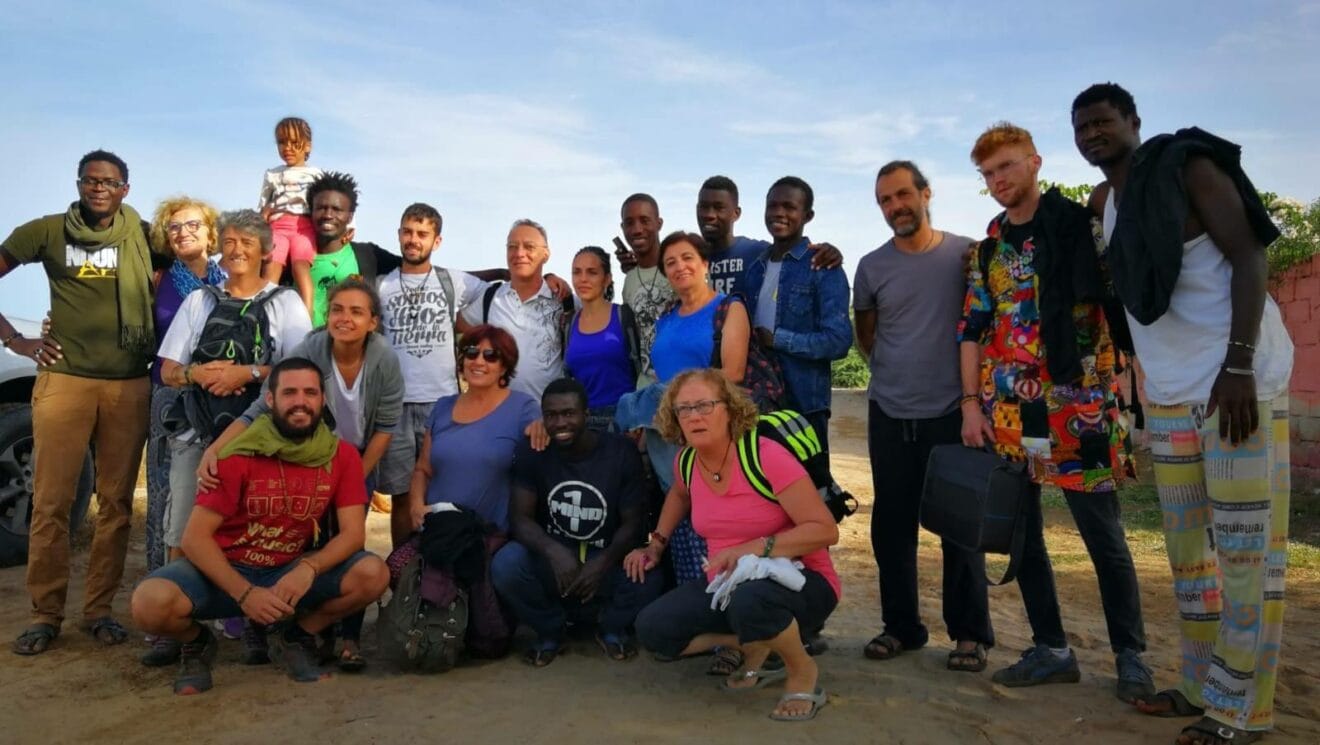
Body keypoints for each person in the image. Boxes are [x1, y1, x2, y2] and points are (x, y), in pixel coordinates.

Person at [1073, 83, 1294, 744]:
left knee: (1247, 556)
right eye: (1081, 127)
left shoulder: (1190, 169)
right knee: (1189, 557)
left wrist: (1238, 365)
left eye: (1103, 121)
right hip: (1170, 396)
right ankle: (1200, 684)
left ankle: (1241, 711)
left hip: (1236, 389)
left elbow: (1250, 254)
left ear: (1133, 121)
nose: (1092, 134)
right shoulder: (1105, 202)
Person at [959, 122, 1153, 700]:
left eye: (1007, 166)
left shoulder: (1082, 229)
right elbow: (971, 329)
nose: (998, 180)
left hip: (1081, 410)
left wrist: (1139, 383)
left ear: (1035, 162)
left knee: (1104, 538)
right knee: (1023, 539)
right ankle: (1051, 650)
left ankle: (1131, 656)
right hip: (1010, 415)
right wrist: (970, 405)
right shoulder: (988, 250)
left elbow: (1120, 303)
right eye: (989, 173)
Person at [130, 357, 390, 695]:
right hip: (223, 573)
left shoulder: (342, 456)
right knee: (148, 603)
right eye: (289, 393)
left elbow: (353, 534)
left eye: (310, 393)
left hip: (288, 570)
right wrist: (245, 593)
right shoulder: (237, 453)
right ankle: (197, 642)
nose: (300, 402)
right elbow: (194, 539)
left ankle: (296, 636)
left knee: (373, 574)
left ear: (322, 400)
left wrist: (309, 568)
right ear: (270, 400)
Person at [3, 150, 163, 656]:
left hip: (128, 384)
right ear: (78, 184)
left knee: (115, 504)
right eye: (91, 180)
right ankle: (44, 614)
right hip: (65, 381)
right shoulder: (48, 231)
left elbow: (193, 271)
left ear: (124, 190)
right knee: (51, 502)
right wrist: (16, 340)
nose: (99, 188)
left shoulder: (146, 236)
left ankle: (98, 611)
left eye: (109, 182)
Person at [200, 277, 402, 669]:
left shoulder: (385, 359)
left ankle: (345, 636)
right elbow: (262, 407)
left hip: (356, 459)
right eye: (337, 309)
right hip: (304, 456)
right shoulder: (312, 348)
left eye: (356, 312)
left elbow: (385, 428)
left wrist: (352, 478)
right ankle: (270, 624)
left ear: (373, 322)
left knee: (348, 543)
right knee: (293, 542)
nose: (345, 318)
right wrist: (215, 449)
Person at [148, 209, 312, 665]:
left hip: (260, 438)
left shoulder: (284, 303)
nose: (237, 250)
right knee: (182, 525)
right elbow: (168, 368)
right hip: (198, 431)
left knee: (256, 531)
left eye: (247, 242)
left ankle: (255, 621)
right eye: (231, 242)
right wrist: (199, 374)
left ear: (265, 251)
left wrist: (249, 372)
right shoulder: (198, 301)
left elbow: (301, 371)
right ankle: (181, 624)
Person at [631, 370, 840, 722]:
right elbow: (680, 495)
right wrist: (657, 543)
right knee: (653, 629)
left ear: (729, 409)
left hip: (803, 582)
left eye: (705, 405)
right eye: (684, 409)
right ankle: (755, 644)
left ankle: (801, 670)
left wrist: (752, 548)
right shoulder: (687, 460)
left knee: (751, 601)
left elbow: (825, 530)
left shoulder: (765, 456)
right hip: (726, 584)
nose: (694, 416)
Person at [852, 161, 993, 671]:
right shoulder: (871, 267)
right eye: (885, 200)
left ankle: (969, 635)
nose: (895, 207)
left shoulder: (966, 255)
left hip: (954, 412)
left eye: (902, 195)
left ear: (926, 193)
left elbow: (983, 325)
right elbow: (867, 336)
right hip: (889, 412)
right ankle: (902, 627)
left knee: (960, 527)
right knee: (891, 526)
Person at [493, 378, 662, 666]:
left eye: (569, 413)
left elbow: (633, 524)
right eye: (551, 415)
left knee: (650, 573)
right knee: (507, 564)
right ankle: (551, 629)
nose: (560, 423)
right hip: (555, 562)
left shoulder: (620, 451)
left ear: (586, 414)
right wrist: (553, 551)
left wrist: (602, 562)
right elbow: (520, 519)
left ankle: (611, 627)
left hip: (605, 558)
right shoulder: (532, 452)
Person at [376, 202, 490, 548]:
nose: (414, 240)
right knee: (399, 496)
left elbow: (498, 289)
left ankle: (440, 568)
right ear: (399, 234)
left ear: (436, 241)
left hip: (442, 405)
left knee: (443, 489)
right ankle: (402, 570)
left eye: (422, 234)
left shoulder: (453, 281)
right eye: (408, 232)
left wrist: (544, 278)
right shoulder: (381, 285)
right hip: (394, 405)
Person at [143, 197, 227, 577]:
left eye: (193, 225)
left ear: (211, 234)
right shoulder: (157, 278)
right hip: (170, 394)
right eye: (174, 227)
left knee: (215, 489)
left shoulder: (229, 278)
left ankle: (211, 583)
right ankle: (162, 581)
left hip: (220, 394)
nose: (183, 232)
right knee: (166, 492)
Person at [742, 176, 852, 460]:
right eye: (773, 206)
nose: (779, 213)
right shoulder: (755, 268)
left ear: (808, 215)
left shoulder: (823, 267)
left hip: (804, 403)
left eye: (789, 207)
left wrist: (779, 340)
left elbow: (839, 341)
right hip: (760, 401)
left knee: (811, 481)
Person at [408, 324, 541, 533]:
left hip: (489, 536)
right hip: (438, 532)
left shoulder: (524, 409)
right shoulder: (442, 406)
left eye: (491, 356)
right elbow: (423, 470)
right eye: (471, 353)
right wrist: (416, 507)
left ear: (504, 366)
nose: (479, 361)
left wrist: (545, 427)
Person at [459, 219, 571, 401]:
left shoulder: (563, 300)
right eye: (512, 247)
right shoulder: (491, 298)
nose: (519, 253)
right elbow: (456, 324)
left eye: (529, 247)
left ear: (546, 254)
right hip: (498, 412)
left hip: (549, 413)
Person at [304, 171, 401, 327]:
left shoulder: (369, 255)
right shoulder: (293, 259)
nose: (328, 215)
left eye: (337, 209)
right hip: (302, 342)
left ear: (350, 217)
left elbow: (413, 268)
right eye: (321, 208)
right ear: (311, 212)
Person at [564, 246, 637, 431]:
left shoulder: (623, 315)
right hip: (583, 423)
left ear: (607, 278)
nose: (583, 279)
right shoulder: (569, 324)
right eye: (577, 272)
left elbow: (641, 368)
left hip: (624, 421)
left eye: (592, 272)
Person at [259, 116, 323, 312]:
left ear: (308, 146)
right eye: (282, 142)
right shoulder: (272, 174)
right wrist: (262, 217)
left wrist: (350, 225)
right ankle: (263, 314)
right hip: (277, 227)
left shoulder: (316, 174)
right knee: (272, 266)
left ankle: (306, 315)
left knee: (300, 267)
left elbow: (332, 197)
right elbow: (263, 204)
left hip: (304, 228)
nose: (287, 148)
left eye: (295, 143)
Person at [616, 193, 674, 388]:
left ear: (659, 223)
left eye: (644, 220)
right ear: (623, 228)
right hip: (645, 388)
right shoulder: (630, 280)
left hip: (682, 386)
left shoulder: (678, 269)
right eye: (629, 223)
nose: (637, 229)